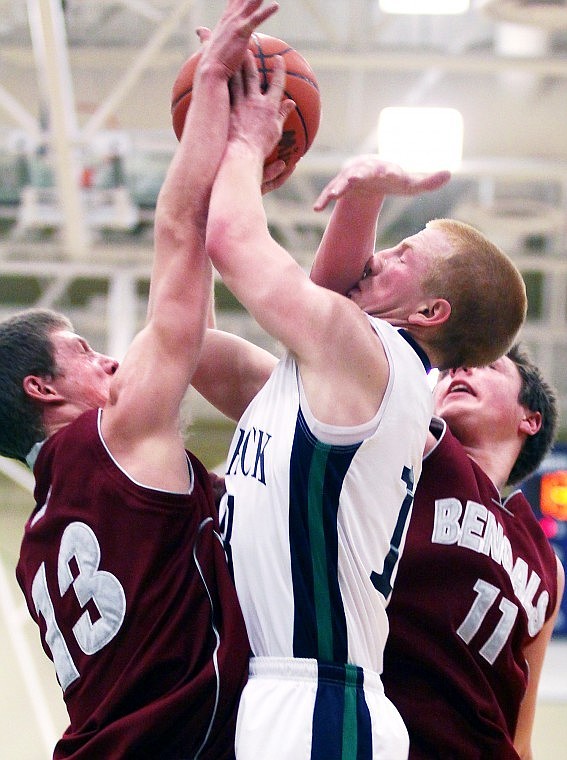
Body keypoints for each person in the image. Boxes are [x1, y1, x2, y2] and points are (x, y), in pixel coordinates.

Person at [194, 41, 528, 759]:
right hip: (296, 698)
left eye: (401, 255)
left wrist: (246, 141)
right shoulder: (337, 366)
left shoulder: (363, 355)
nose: (377, 256)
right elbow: (195, 339)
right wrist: (366, 193)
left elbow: (231, 237)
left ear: (429, 313)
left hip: (318, 703)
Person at [2, 2, 284, 757]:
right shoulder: (113, 438)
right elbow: (178, 232)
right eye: (84, 349)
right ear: (42, 389)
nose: (110, 361)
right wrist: (222, 111)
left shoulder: (40, 537)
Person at [381, 348, 564, 760]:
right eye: (446, 370)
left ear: (529, 419)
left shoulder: (547, 564)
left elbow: (519, 733)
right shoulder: (398, 460)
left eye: (489, 364)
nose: (459, 369)